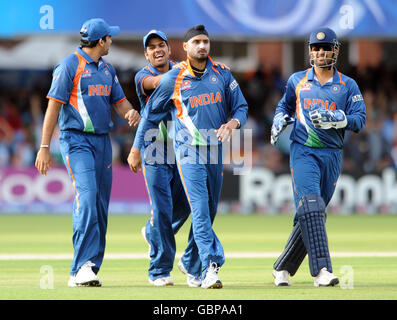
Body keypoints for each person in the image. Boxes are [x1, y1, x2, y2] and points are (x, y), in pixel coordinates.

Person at [128, 24, 248, 289]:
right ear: (185, 47)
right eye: (196, 42)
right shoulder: (171, 77)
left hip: (214, 150)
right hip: (182, 150)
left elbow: (241, 106)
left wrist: (233, 124)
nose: (202, 46)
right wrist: (136, 148)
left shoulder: (223, 74)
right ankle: (208, 268)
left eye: (205, 41)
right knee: (197, 209)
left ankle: (191, 261)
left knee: (209, 209)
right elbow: (149, 113)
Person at [35, 18, 140, 287]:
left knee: (101, 205)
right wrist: (45, 147)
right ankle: (79, 268)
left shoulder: (107, 69)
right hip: (76, 140)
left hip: (103, 143)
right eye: (109, 38)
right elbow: (53, 108)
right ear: (101, 41)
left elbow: (119, 101)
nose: (111, 42)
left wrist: (129, 111)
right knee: (88, 195)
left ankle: (91, 266)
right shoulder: (70, 65)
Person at [270, 27, 366, 287]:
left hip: (332, 155)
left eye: (326, 48)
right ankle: (322, 270)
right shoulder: (297, 81)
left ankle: (282, 268)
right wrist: (279, 118)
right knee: (311, 205)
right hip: (303, 151)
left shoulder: (348, 85)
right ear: (310, 51)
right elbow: (285, 106)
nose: (320, 52)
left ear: (335, 51)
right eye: (315, 47)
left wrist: (339, 119)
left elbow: (360, 120)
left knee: (311, 213)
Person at [132, 29, 200, 287]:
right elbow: (159, 84)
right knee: (162, 209)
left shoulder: (184, 70)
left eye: (162, 45)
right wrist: (191, 70)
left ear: (170, 49)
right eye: (152, 48)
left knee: (188, 206)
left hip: (184, 148)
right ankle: (159, 270)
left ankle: (153, 233)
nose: (158, 50)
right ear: (146, 54)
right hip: (155, 148)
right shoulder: (144, 76)